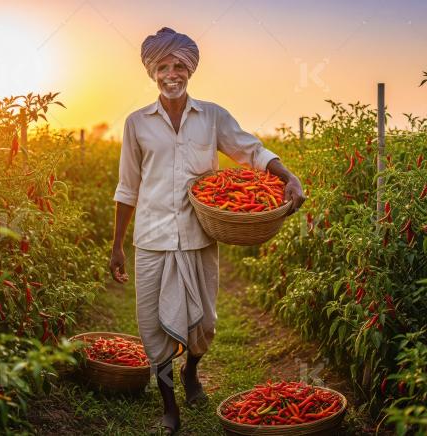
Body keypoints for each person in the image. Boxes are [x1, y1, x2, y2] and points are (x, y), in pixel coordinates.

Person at [109, 27, 305, 434]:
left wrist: (287, 175)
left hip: (199, 237)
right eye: (162, 66)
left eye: (178, 65)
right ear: (152, 72)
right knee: (151, 326)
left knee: (205, 326)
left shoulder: (212, 116)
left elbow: (249, 150)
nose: (171, 73)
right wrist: (117, 247)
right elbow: (128, 187)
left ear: (190, 69)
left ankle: (191, 373)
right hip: (153, 240)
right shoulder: (137, 123)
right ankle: (169, 407)